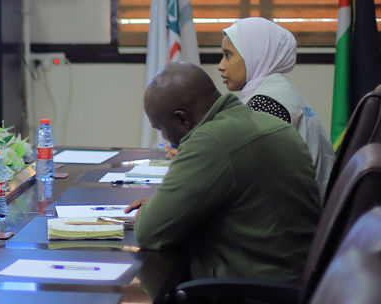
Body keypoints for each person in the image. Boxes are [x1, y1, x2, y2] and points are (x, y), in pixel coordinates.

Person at [128, 62, 320, 289]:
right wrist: (166, 207)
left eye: (161, 128)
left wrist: (150, 213)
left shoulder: (210, 141)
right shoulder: (268, 122)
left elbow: (149, 231)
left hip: (254, 299)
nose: (164, 137)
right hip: (295, 285)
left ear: (182, 119)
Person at [218, 17, 335, 191]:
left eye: (228, 55)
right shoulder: (278, 90)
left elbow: (248, 171)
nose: (221, 66)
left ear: (255, 55)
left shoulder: (264, 102)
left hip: (301, 204)